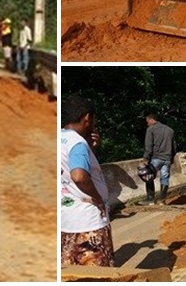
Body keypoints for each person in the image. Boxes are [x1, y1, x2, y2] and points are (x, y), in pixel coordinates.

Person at [60, 97, 114, 267]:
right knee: (100, 276)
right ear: (87, 118)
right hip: (89, 223)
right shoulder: (77, 142)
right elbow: (78, 175)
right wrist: (97, 197)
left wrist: (90, 148)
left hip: (66, 223)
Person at [140, 114, 175, 206]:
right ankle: (161, 200)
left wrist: (146, 158)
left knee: (148, 176)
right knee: (164, 178)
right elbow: (174, 146)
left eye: (147, 122)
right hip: (167, 158)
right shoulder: (170, 130)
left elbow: (148, 145)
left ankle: (150, 199)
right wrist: (172, 158)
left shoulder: (151, 129)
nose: (147, 124)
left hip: (156, 157)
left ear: (151, 120)